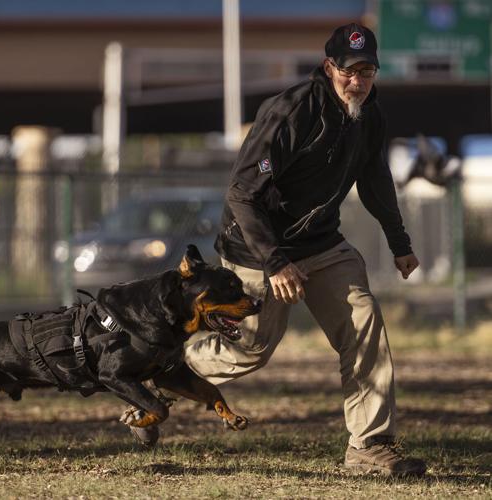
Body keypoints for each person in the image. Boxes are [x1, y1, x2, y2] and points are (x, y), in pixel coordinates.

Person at [132, 23, 427, 477]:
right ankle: (168, 371)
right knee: (251, 349)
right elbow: (242, 192)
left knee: (364, 320)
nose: (358, 81)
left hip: (322, 243)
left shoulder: (370, 114)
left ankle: (370, 445)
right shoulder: (291, 112)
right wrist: (275, 262)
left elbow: (374, 179)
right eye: (350, 71)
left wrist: (399, 242)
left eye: (367, 71)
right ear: (330, 67)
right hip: (257, 249)